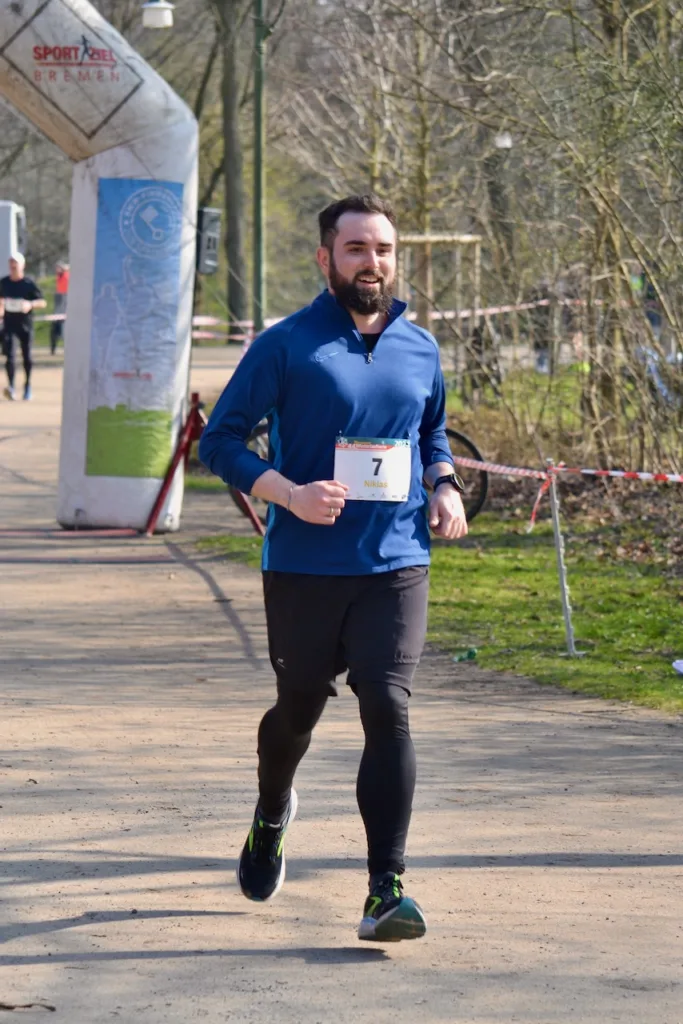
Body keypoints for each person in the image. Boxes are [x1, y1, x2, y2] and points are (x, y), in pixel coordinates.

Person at [199, 194, 468, 943]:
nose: (370, 262)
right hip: (305, 566)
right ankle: (272, 808)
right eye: (354, 249)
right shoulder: (287, 345)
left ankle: (385, 889)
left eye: (381, 248)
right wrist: (286, 490)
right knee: (298, 710)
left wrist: (443, 485)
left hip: (395, 561)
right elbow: (218, 443)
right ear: (325, 259)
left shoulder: (420, 346)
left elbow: (431, 429)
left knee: (386, 704)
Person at [0, 253, 46, 401]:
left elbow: (42, 302)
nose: (13, 266)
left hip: (25, 325)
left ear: (22, 265)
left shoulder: (28, 283)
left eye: (16, 263)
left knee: (27, 357)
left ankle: (27, 385)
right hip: (9, 324)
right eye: (11, 263)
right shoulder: (4, 283)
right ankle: (11, 387)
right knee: (10, 356)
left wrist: (30, 304)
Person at [50, 260, 69, 355]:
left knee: (64, 329)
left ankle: (68, 348)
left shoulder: (67, 276)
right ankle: (53, 349)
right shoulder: (59, 277)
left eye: (59, 268)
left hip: (65, 299)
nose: (57, 269)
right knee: (55, 328)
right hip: (59, 299)